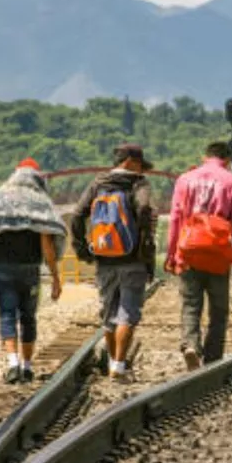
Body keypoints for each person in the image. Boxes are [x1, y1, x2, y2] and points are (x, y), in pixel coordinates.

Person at [0, 158, 66, 384]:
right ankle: (27, 367)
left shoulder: (2, 197)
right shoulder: (41, 201)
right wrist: (56, 277)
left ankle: (13, 364)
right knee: (28, 317)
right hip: (30, 270)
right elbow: (47, 245)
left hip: (5, 269)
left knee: (7, 314)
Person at [70, 144, 157, 381]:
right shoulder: (139, 184)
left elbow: (77, 215)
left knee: (109, 315)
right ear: (129, 162)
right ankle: (118, 366)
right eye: (139, 164)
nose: (142, 169)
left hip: (104, 259)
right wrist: (147, 252)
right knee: (128, 312)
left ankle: (112, 362)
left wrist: (83, 250)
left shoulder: (98, 183)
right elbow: (144, 211)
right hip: (132, 259)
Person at [164, 141, 232, 370]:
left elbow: (175, 219)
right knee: (219, 310)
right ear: (228, 160)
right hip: (218, 254)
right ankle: (213, 361)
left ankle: (191, 344)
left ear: (205, 157)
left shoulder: (184, 180)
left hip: (189, 251)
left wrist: (171, 254)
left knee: (191, 304)